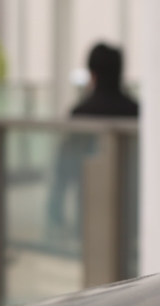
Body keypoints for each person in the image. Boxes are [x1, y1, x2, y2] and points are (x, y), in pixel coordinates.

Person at [46, 44, 139, 245]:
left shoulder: (81, 113)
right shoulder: (136, 111)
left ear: (92, 74)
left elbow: (64, 169)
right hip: (131, 211)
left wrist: (56, 210)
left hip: (88, 208)